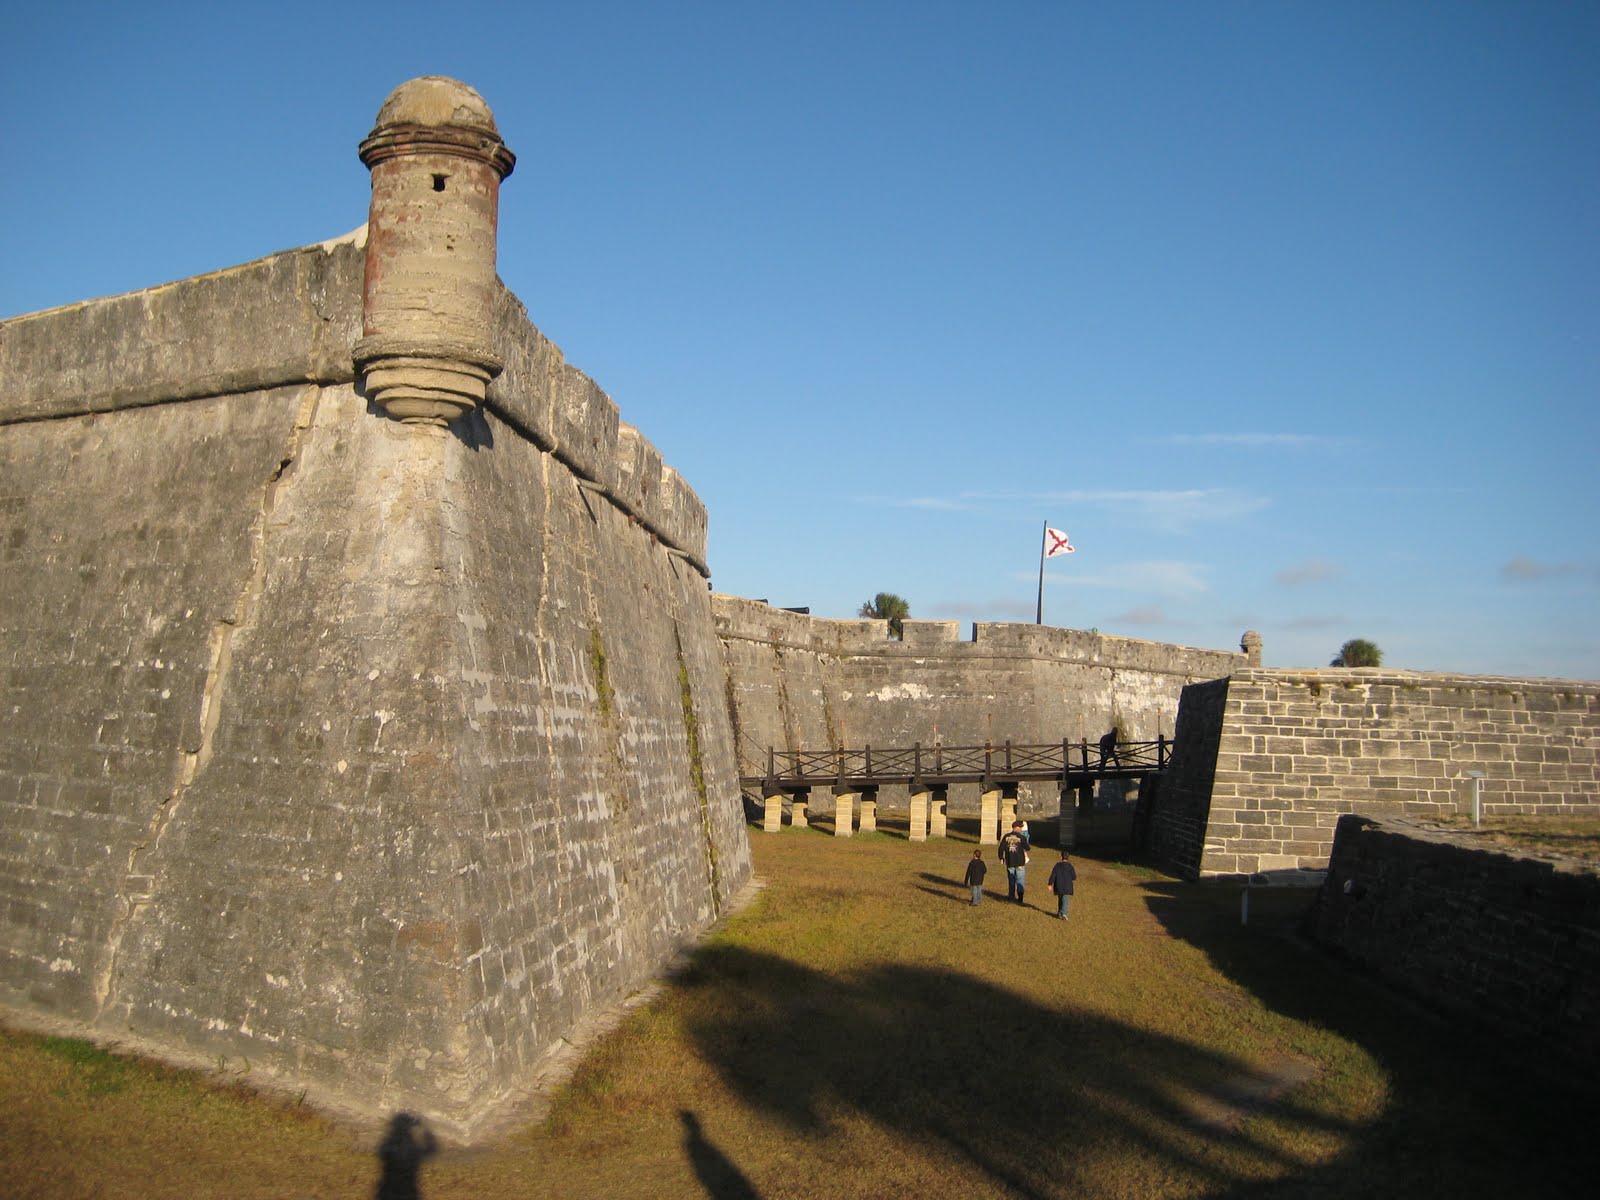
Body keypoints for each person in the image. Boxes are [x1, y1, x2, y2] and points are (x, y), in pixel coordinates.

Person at [997, 820, 1030, 904]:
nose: (1021, 829)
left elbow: (1001, 848)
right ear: (1017, 828)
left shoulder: (1006, 836)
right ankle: (1020, 898)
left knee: (1011, 880)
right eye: (1020, 827)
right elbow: (1027, 848)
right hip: (1020, 862)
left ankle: (1011, 897)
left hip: (1010, 861)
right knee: (1020, 880)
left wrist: (1001, 857)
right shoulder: (1021, 837)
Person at [1047, 850, 1077, 921]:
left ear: (1061, 857)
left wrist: (1050, 884)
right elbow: (1074, 877)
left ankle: (1060, 913)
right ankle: (1064, 913)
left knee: (1060, 900)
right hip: (1067, 887)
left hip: (1058, 886)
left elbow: (1053, 875)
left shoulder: (1057, 866)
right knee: (1065, 900)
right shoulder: (1070, 866)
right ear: (1068, 858)